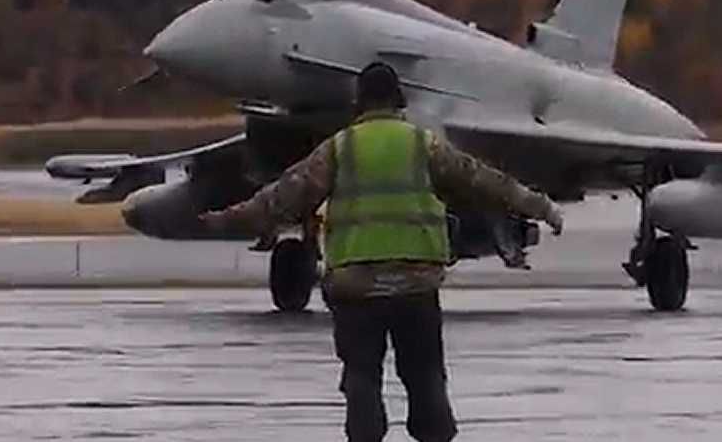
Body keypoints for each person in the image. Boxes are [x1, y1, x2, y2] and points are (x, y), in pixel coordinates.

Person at [203, 60, 564, 442]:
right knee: (426, 381)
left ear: (359, 102)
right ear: (399, 100)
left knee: (361, 380)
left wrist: (222, 220)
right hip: (414, 286)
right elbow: (486, 181)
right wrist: (541, 207)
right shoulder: (423, 144)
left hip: (355, 287)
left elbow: (280, 199)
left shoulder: (340, 148)